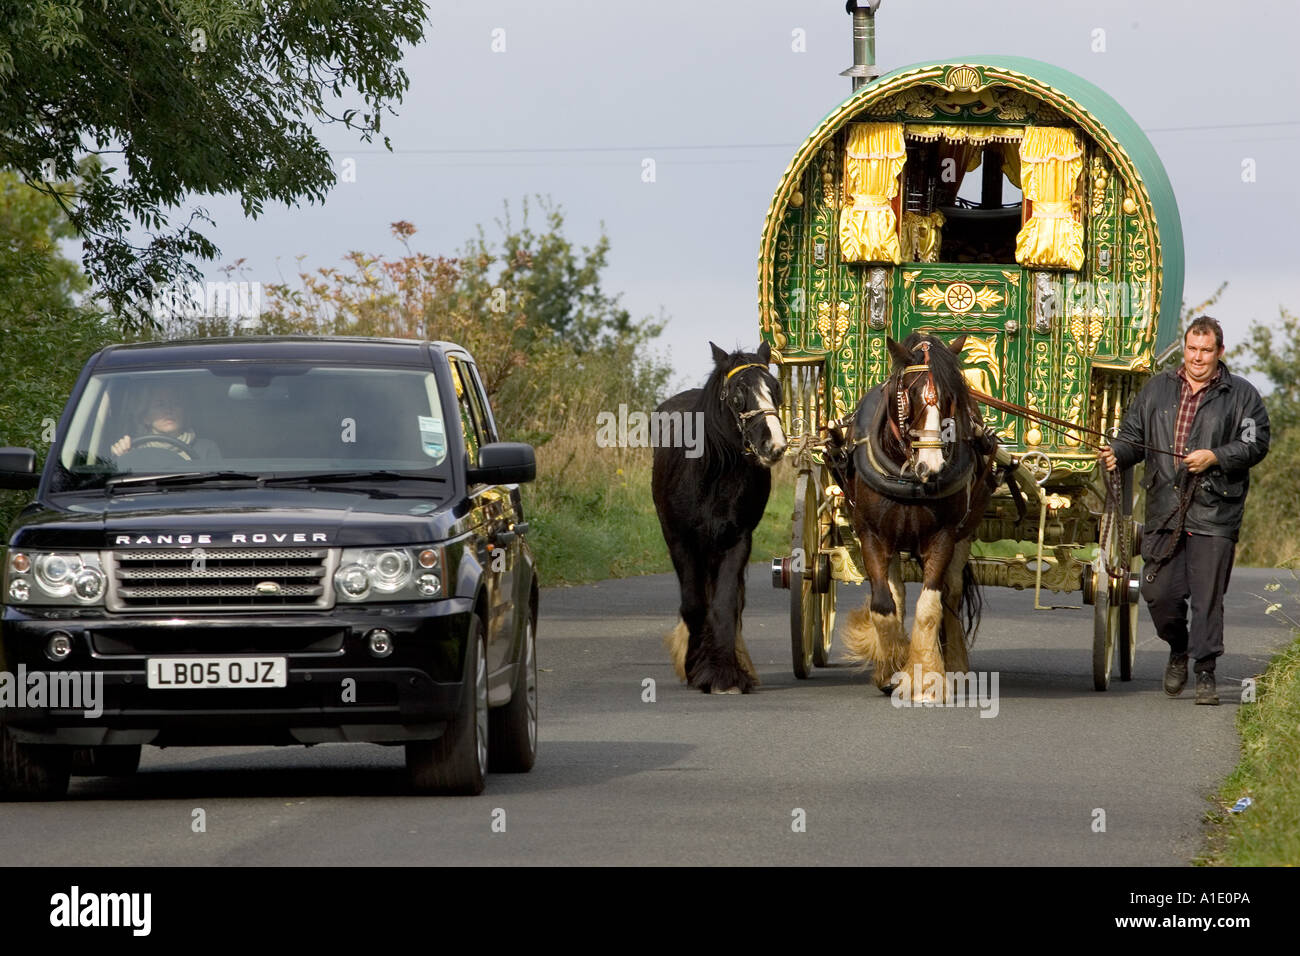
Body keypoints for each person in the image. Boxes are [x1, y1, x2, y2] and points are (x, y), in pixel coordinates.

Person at [1099, 316, 1269, 705]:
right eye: (1192, 349)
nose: (1197, 357)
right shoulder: (1156, 389)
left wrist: (1216, 456)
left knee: (1207, 596)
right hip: (1165, 509)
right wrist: (1117, 454)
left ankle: (1205, 672)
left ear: (1219, 352)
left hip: (1215, 513)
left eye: (1206, 350)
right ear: (1185, 349)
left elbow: (1255, 444)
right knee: (1159, 594)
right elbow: (1132, 439)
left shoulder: (1242, 395)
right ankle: (1178, 650)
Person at [110, 384, 220, 462]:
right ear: (145, 417)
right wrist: (121, 456)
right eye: (160, 405)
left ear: (184, 413)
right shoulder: (133, 450)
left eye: (176, 403)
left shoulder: (206, 448)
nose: (169, 410)